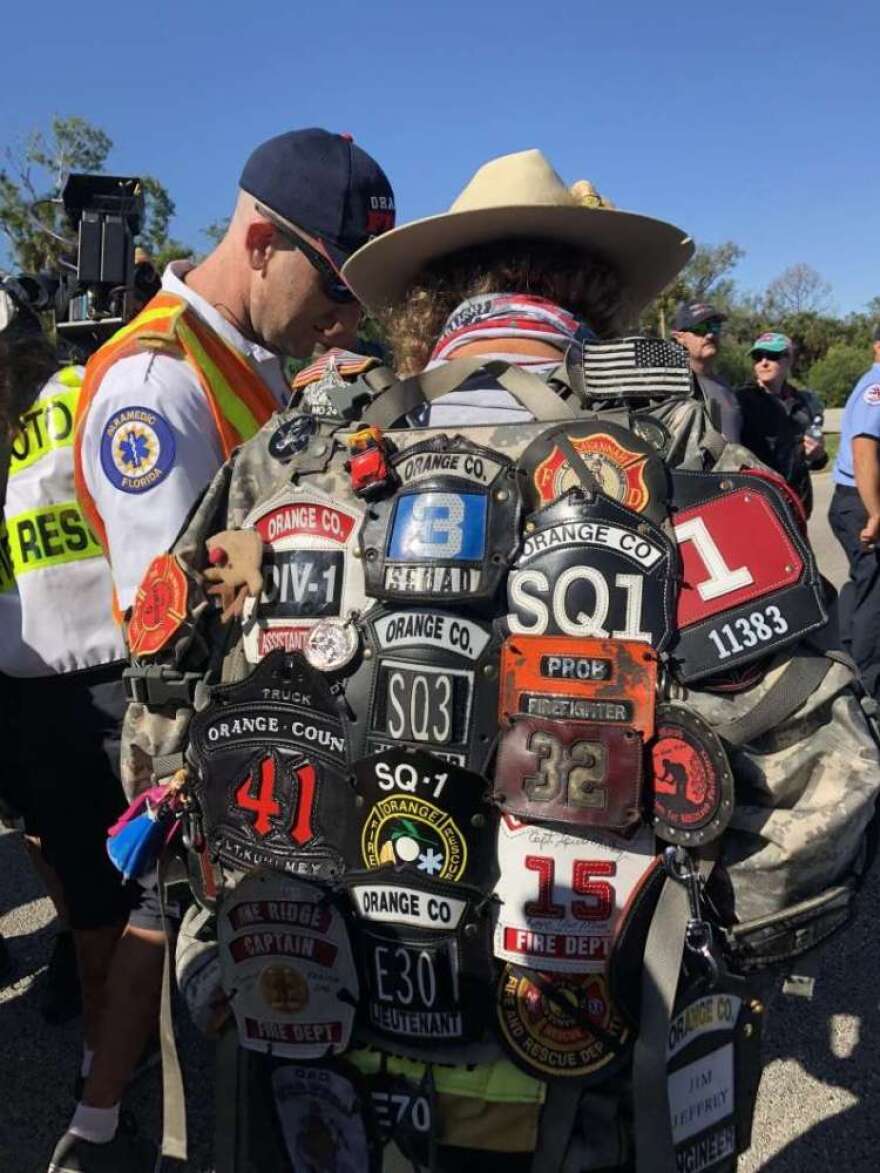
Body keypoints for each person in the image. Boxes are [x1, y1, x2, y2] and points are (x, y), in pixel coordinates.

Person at [119, 150, 877, 1172]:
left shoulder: (292, 452)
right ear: (596, 290)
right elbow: (823, 798)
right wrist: (681, 962)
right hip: (585, 1084)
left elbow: (160, 740)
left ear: (425, 301)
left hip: (316, 1060)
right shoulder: (684, 456)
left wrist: (241, 946)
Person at [49, 128, 395, 1173]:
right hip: (198, 714)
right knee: (188, 936)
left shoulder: (245, 359)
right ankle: (107, 1128)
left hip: (262, 703)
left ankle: (103, 1116)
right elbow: (180, 625)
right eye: (334, 290)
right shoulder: (159, 383)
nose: (345, 320)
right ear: (258, 240)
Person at [0, 279, 134, 1094]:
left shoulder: (84, 394)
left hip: (95, 684)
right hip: (25, 690)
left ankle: (108, 1059)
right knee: (58, 856)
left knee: (102, 890)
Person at [828, 324, 880, 701]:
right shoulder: (876, 387)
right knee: (875, 592)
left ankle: (849, 657)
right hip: (861, 503)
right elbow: (864, 449)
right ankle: (869, 686)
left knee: (864, 586)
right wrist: (876, 513)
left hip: (859, 501)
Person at [736, 331, 824, 516]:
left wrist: (817, 455)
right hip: (759, 505)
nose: (764, 362)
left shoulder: (805, 402)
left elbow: (813, 460)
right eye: (758, 357)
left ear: (789, 359)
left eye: (772, 356)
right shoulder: (740, 401)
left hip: (797, 505)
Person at [670, 300, 742, 441]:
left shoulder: (726, 387)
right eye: (700, 328)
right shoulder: (672, 387)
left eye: (714, 327)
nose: (710, 335)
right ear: (680, 338)